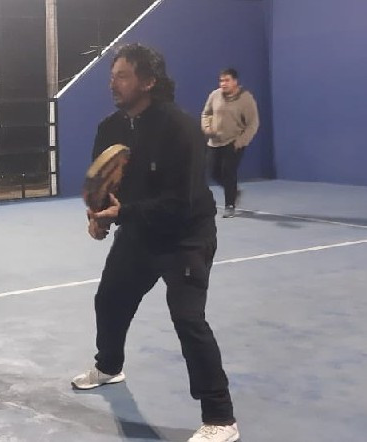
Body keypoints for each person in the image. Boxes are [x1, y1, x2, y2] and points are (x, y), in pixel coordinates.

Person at [72, 44, 239, 442]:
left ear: (148, 81)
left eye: (123, 75)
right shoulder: (109, 128)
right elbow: (104, 188)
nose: (113, 83)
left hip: (186, 236)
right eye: (112, 75)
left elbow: (180, 202)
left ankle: (221, 418)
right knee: (109, 299)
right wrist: (98, 218)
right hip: (138, 233)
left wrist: (121, 215)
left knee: (187, 318)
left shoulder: (180, 129)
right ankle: (109, 366)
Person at [201, 68, 259, 218]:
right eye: (221, 80)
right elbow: (206, 113)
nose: (223, 84)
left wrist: (241, 141)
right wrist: (207, 128)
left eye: (227, 80)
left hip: (233, 142)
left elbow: (253, 123)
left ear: (235, 82)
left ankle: (230, 205)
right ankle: (234, 191)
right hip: (214, 141)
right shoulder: (215, 95)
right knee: (213, 172)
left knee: (228, 172)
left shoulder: (246, 99)